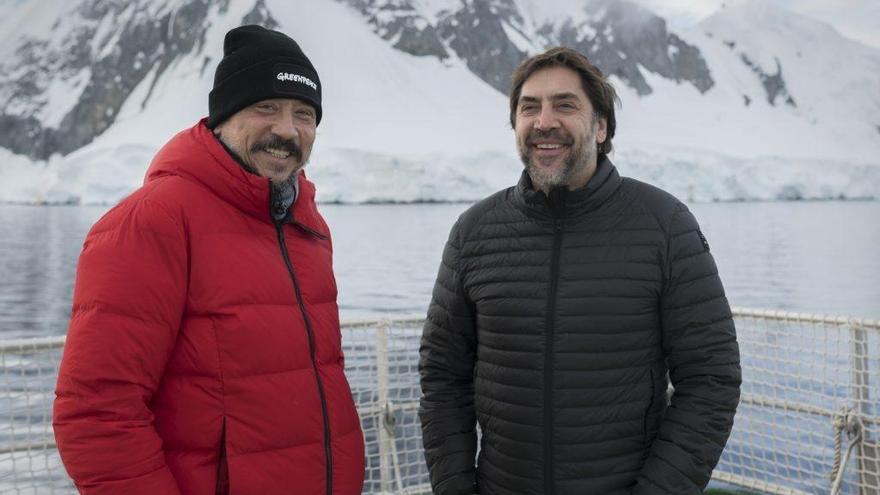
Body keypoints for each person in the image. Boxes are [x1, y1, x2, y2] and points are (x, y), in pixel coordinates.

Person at [53, 25, 364, 494]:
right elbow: (96, 413)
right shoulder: (153, 221)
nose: (286, 129)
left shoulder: (305, 225)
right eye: (266, 107)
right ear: (222, 116)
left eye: (304, 114)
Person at [419, 46, 741, 494]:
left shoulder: (664, 225)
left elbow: (711, 377)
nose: (544, 121)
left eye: (565, 105)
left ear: (602, 126)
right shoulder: (474, 231)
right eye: (529, 107)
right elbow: (443, 376)